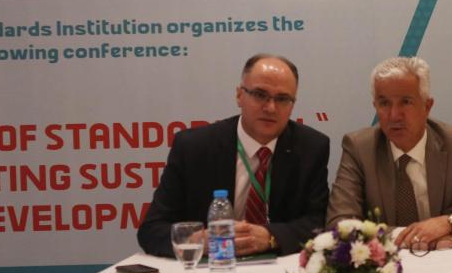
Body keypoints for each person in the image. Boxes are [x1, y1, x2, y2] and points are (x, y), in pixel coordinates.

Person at [138, 54, 330, 257]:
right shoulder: (194, 147)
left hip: (277, 268)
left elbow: (318, 222)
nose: (270, 108)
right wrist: (197, 240)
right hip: (214, 266)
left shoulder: (311, 147)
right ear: (239, 95)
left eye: (282, 99)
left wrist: (271, 236)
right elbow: (152, 229)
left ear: (293, 104)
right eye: (260, 95)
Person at [327, 56, 452, 247]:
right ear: (375, 106)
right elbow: (339, 225)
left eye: (406, 102)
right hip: (386, 264)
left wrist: (451, 223)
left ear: (427, 106)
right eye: (384, 103)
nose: (394, 115)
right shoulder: (360, 149)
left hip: (449, 265)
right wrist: (409, 237)